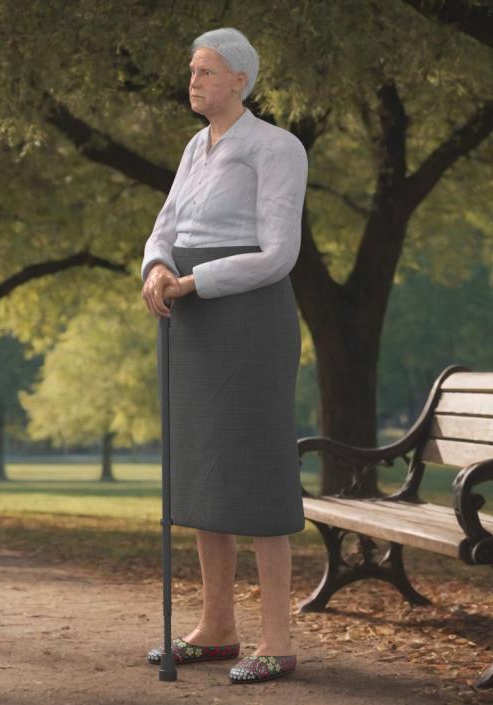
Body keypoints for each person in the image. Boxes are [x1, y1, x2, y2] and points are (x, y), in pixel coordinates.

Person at [139, 27, 308, 685]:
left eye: (207, 72)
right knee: (204, 471)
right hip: (193, 321)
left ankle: (276, 638)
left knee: (257, 474)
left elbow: (278, 253)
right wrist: (156, 265)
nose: (194, 81)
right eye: (192, 71)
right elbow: (166, 224)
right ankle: (216, 629)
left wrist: (194, 281)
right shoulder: (194, 147)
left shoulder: (275, 147)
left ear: (240, 79)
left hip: (249, 321)